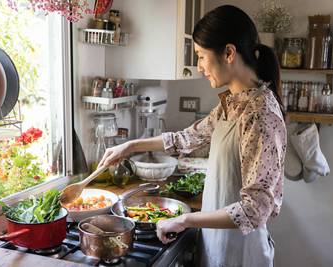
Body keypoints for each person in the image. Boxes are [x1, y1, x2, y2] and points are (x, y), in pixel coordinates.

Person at [98, 5, 286, 267]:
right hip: (217, 244)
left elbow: (255, 210)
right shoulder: (232, 104)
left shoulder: (261, 114)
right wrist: (129, 147)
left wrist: (184, 219)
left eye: (200, 56)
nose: (199, 67)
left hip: (241, 254)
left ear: (229, 53)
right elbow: (186, 138)